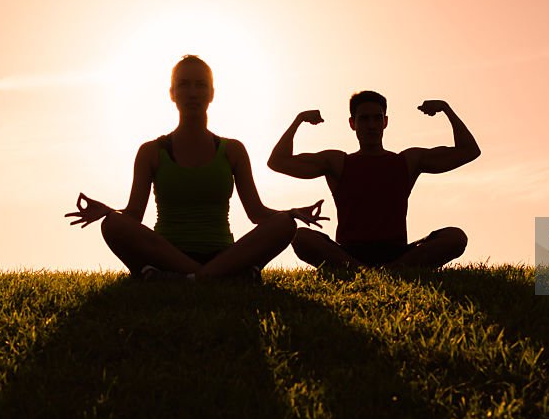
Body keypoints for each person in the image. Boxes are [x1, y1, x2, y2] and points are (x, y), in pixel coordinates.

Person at [65, 55, 327, 281]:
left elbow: (257, 213)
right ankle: (214, 277)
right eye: (184, 85)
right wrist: (109, 212)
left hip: (223, 253)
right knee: (112, 225)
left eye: (200, 85)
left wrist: (290, 213)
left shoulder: (232, 150)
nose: (192, 92)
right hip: (167, 253)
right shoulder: (151, 152)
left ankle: (186, 278)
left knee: (284, 225)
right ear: (172, 93)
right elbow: (133, 215)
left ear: (212, 93)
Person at [268, 90, 480, 268]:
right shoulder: (337, 162)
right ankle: (363, 271)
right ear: (353, 123)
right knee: (301, 237)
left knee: (455, 237)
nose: (371, 125)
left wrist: (446, 109)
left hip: (398, 253)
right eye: (364, 119)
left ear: (385, 122)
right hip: (349, 254)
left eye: (377, 118)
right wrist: (299, 120)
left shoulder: (408, 160)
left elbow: (468, 151)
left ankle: (390, 271)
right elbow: (278, 162)